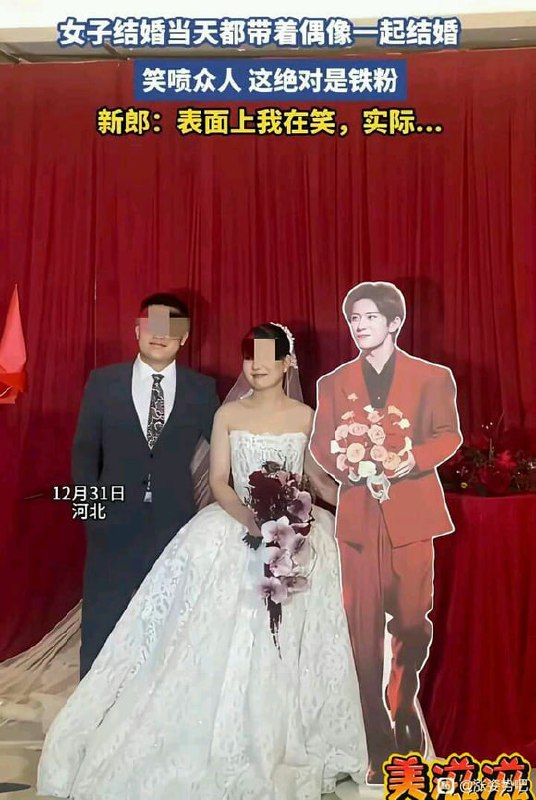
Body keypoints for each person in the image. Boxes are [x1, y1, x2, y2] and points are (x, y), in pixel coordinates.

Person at [37, 322, 368, 800]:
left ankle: (289, 729)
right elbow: (218, 481)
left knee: (299, 631)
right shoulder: (228, 414)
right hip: (235, 526)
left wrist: (360, 501)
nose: (256, 366)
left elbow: (315, 479)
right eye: (249, 356)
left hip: (296, 531)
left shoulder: (306, 416)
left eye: (267, 357)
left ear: (287, 363)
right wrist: (251, 519)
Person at [310, 282, 462, 783]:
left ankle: (402, 699)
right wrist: (351, 465)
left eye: (369, 317)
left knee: (414, 621)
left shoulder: (432, 377)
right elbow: (321, 445)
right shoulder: (333, 382)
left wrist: (409, 459)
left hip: (413, 515)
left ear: (395, 322)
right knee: (362, 629)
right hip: (358, 518)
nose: (359, 326)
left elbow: (449, 435)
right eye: (354, 318)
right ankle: (376, 736)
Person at [74, 292, 219, 678]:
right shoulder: (103, 382)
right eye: (152, 325)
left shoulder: (201, 389)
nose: (160, 334)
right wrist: (91, 515)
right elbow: (85, 453)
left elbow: (227, 449)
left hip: (174, 523)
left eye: (171, 328)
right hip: (111, 522)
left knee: (167, 622)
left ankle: (153, 702)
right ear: (137, 329)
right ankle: (94, 702)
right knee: (103, 620)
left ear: (184, 338)